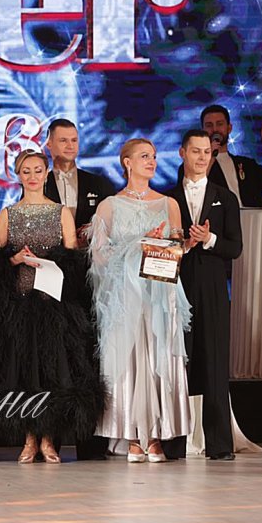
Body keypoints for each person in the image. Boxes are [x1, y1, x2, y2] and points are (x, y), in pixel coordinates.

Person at [0, 151, 107, 463]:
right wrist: (15, 260)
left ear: (46, 174)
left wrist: (52, 261)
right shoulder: (8, 214)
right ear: (18, 175)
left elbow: (74, 262)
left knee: (52, 373)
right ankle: (29, 440)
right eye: (26, 171)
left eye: (37, 170)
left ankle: (48, 440)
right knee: (23, 374)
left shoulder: (61, 213)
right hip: (19, 308)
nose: (32, 176)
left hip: (53, 307)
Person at [89, 139, 191, 463]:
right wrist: (138, 244)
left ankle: (156, 435)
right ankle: (132, 436)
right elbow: (99, 257)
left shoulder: (169, 204)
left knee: (157, 357)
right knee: (130, 360)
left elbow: (177, 251)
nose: (152, 161)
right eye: (144, 156)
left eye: (154, 156)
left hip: (159, 295)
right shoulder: (109, 205)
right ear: (127, 162)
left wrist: (172, 245)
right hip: (125, 295)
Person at [43, 118, 116, 460]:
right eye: (63, 140)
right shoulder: (37, 182)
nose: (70, 145)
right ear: (49, 144)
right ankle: (51, 438)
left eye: (74, 140)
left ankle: (91, 440)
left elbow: (111, 229)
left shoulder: (97, 183)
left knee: (89, 354)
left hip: (91, 280)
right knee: (54, 355)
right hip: (51, 280)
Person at [169, 130, 243, 460]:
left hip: (213, 288)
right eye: (196, 151)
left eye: (207, 152)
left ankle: (220, 444)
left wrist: (209, 239)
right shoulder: (168, 198)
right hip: (176, 287)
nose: (202, 157)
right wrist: (182, 244)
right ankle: (173, 443)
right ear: (182, 153)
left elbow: (235, 248)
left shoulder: (226, 198)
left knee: (214, 361)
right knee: (178, 361)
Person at [183, 105, 262, 208]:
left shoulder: (246, 165)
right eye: (209, 125)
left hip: (251, 217)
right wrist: (209, 154)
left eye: (219, 124)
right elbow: (192, 190)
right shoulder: (192, 166)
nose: (215, 129)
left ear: (229, 128)